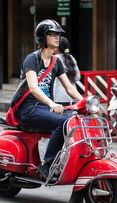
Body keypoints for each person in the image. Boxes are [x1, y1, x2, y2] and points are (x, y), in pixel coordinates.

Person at [17, 19, 83, 180]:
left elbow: (69, 88)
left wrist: (85, 102)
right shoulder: (32, 59)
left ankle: (66, 161)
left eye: (58, 35)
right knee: (63, 122)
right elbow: (33, 87)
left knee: (75, 120)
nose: (57, 38)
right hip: (29, 108)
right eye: (52, 34)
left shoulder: (56, 61)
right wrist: (52, 103)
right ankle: (47, 164)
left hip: (44, 108)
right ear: (42, 37)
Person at [53, 36, 81, 105]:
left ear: (56, 47)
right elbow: (77, 77)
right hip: (73, 97)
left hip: (58, 97)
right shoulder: (71, 57)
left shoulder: (54, 59)